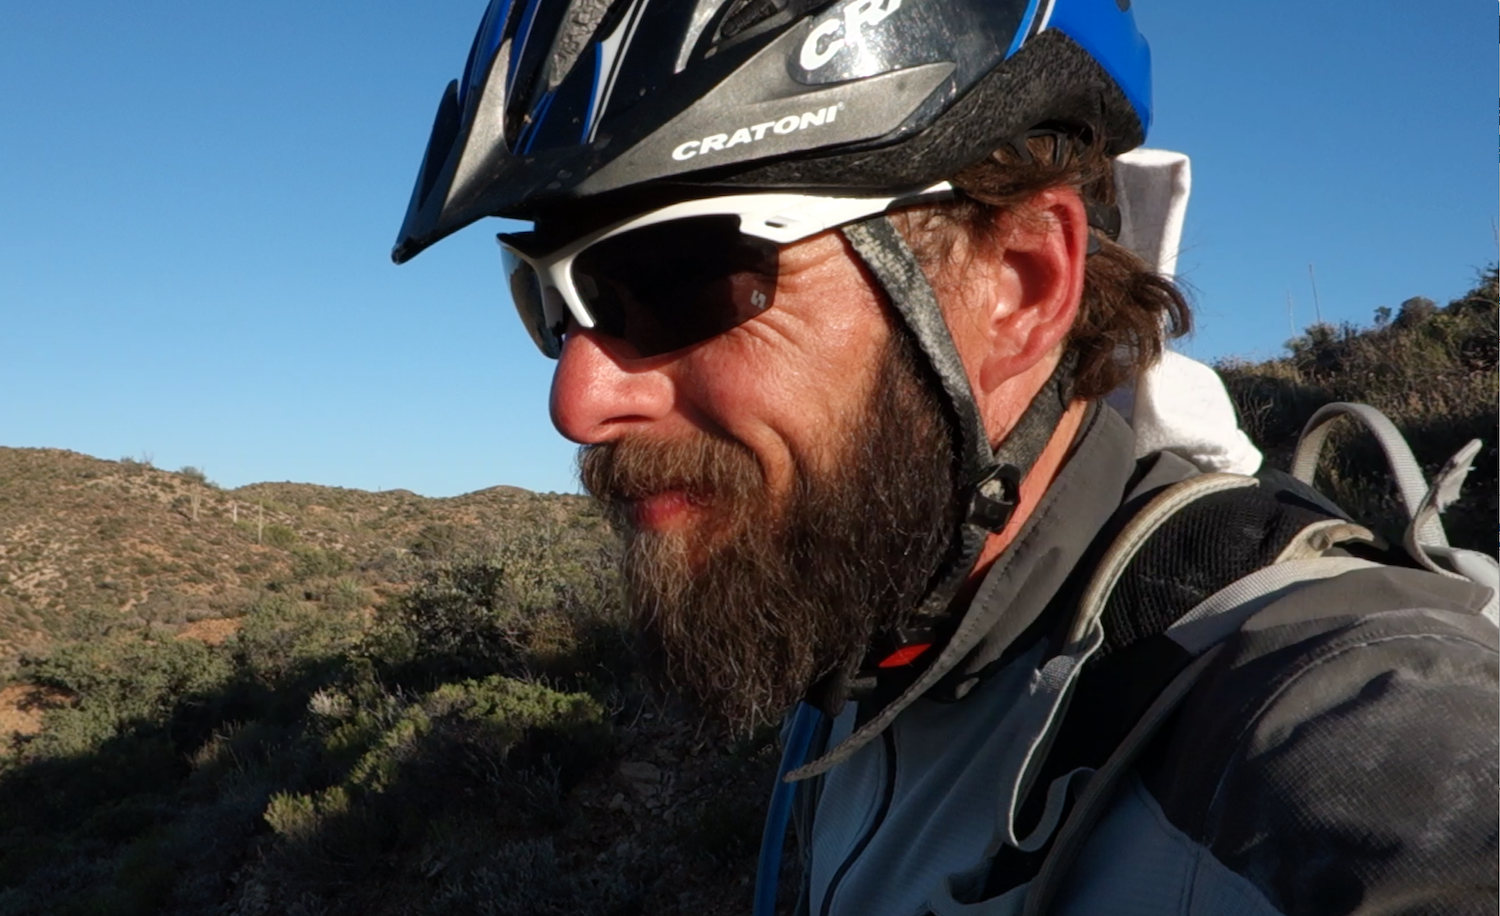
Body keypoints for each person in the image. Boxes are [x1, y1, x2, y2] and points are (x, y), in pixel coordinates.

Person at [392, 0, 1499, 912]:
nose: (576, 399)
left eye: (682, 278)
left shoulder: (1314, 726)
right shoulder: (869, 598)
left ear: (1016, 284)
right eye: (549, 299)